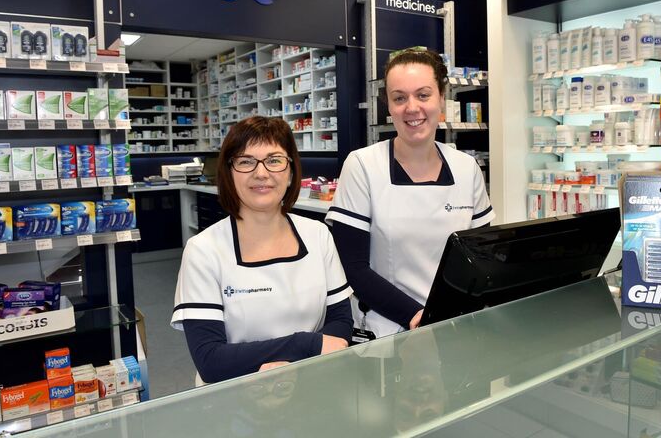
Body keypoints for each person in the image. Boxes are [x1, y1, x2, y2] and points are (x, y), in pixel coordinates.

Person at [325, 49, 495, 338]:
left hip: (452, 325)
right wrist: (417, 316)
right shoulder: (363, 165)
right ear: (389, 106)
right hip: (387, 330)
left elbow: (481, 257)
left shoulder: (466, 168)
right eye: (400, 98)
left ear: (441, 98)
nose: (412, 108)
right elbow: (353, 268)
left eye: (423, 95)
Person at [171, 116, 353, 385]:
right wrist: (305, 345)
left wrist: (289, 363)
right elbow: (210, 360)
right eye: (246, 162)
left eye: (274, 160)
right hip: (233, 396)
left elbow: (341, 322)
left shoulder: (318, 235)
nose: (261, 173)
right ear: (229, 173)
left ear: (291, 171)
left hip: (311, 385)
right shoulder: (204, 250)